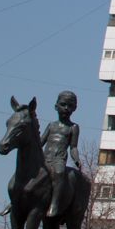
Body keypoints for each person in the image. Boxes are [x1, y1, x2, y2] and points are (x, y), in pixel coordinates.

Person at [42, 90, 85, 220]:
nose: (66, 108)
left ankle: (54, 204)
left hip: (58, 159)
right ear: (56, 106)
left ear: (74, 109)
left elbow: (73, 147)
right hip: (45, 158)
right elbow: (41, 141)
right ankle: (15, 201)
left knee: (60, 173)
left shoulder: (73, 127)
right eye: (63, 104)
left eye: (70, 106)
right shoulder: (51, 125)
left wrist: (76, 159)